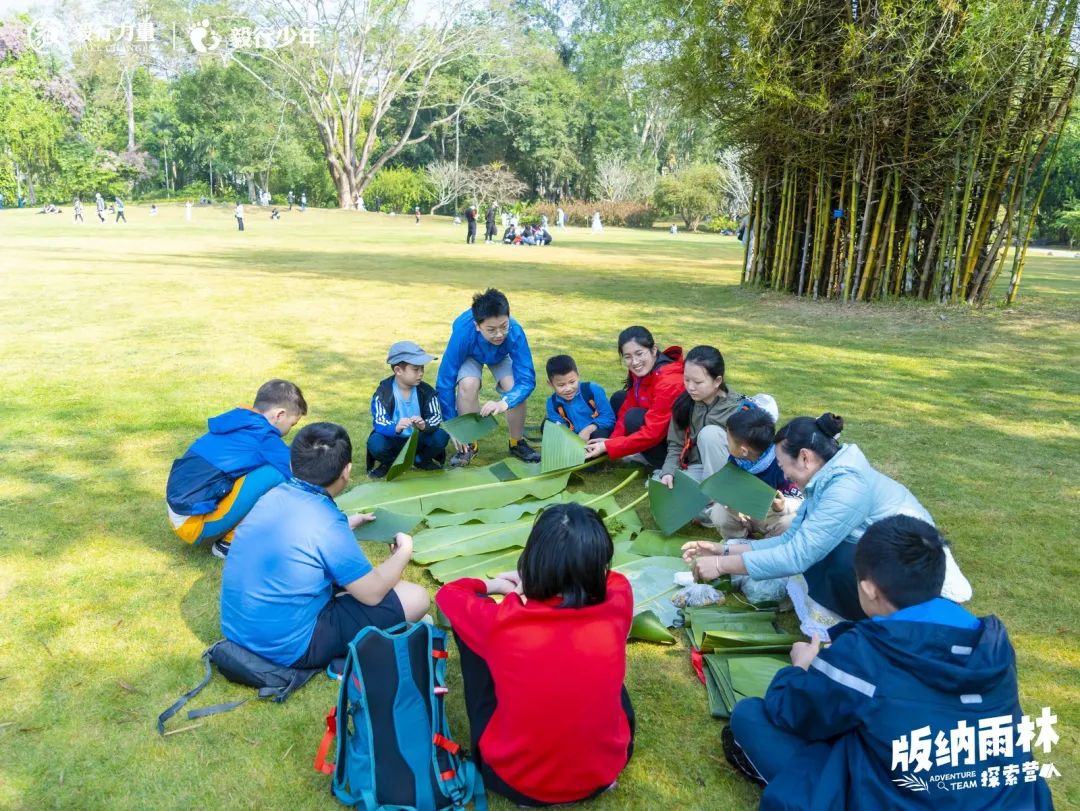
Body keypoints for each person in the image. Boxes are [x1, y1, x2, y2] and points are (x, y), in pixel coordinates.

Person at [725, 515, 1052, 811]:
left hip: (900, 795)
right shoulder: (991, 642)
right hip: (1006, 798)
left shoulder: (868, 652)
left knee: (750, 717)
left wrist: (800, 667)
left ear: (868, 589)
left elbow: (792, 709)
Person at [681, 413, 972, 639]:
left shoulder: (846, 487)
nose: (782, 472)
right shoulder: (826, 479)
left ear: (805, 457)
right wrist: (725, 549)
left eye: (783, 465)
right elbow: (792, 539)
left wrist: (721, 566)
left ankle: (867, 626)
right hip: (889, 565)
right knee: (819, 554)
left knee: (825, 559)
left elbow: (798, 555)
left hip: (917, 582)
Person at [435, 503, 635, 807]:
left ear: (533, 561)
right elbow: (612, 579)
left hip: (517, 782)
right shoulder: (618, 601)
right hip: (603, 771)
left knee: (469, 633)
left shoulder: (503, 621)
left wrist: (501, 587)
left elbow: (449, 594)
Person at [220, 423, 430, 669]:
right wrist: (404, 551)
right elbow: (372, 593)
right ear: (347, 471)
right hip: (290, 647)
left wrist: (345, 526)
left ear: (291, 464)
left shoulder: (272, 497)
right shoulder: (327, 524)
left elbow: (297, 537)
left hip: (239, 632)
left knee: (346, 587)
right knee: (417, 598)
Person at [166, 379, 307, 558]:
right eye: (292, 424)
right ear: (279, 415)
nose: (289, 431)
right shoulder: (264, 438)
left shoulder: (238, 420)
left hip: (181, 513)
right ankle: (229, 543)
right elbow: (300, 476)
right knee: (276, 474)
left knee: (266, 468)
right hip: (195, 524)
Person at [435, 288, 540, 466]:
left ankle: (516, 442)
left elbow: (526, 379)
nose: (499, 334)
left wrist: (504, 403)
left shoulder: (514, 332)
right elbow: (445, 382)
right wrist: (453, 426)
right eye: (491, 329)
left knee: (514, 387)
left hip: (500, 354)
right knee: (468, 385)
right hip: (470, 353)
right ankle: (468, 443)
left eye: (503, 326)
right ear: (477, 325)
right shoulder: (462, 333)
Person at [584, 326, 684, 470]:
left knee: (633, 418)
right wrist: (611, 442)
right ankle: (636, 451)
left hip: (676, 449)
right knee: (620, 398)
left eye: (639, 353)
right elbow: (628, 405)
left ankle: (660, 464)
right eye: (628, 357)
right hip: (657, 428)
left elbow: (653, 433)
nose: (635, 362)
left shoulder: (669, 382)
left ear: (653, 350)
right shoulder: (643, 371)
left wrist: (608, 446)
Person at [657, 345, 745, 489]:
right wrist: (668, 471)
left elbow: (750, 455)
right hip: (697, 467)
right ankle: (707, 496)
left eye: (698, 382)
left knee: (709, 434)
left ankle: (718, 494)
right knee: (665, 486)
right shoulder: (683, 404)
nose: (690, 387)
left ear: (717, 381)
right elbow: (676, 445)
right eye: (686, 380)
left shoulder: (738, 410)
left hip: (731, 473)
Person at [711, 401, 803, 540]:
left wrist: (782, 506)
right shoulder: (737, 458)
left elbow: (801, 501)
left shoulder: (783, 463)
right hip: (745, 509)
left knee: (790, 523)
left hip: (773, 514)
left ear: (743, 450)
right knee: (718, 512)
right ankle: (740, 541)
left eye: (728, 440)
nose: (726, 442)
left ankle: (766, 547)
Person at [367, 341, 451, 476]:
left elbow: (435, 417)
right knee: (376, 442)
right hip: (393, 440)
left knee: (441, 436)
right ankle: (390, 463)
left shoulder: (427, 392)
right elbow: (380, 421)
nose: (421, 373)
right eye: (416, 369)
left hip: (418, 439)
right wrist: (396, 427)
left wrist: (424, 425)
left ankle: (421, 460)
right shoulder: (383, 393)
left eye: (422, 368)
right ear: (398, 371)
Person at [544, 355, 617, 441]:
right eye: (561, 385)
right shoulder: (552, 404)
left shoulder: (593, 390)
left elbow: (609, 417)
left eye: (572, 382)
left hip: (598, 430)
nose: (568, 389)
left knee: (599, 435)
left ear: (578, 374)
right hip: (573, 439)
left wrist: (589, 429)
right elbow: (560, 430)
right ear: (550, 384)